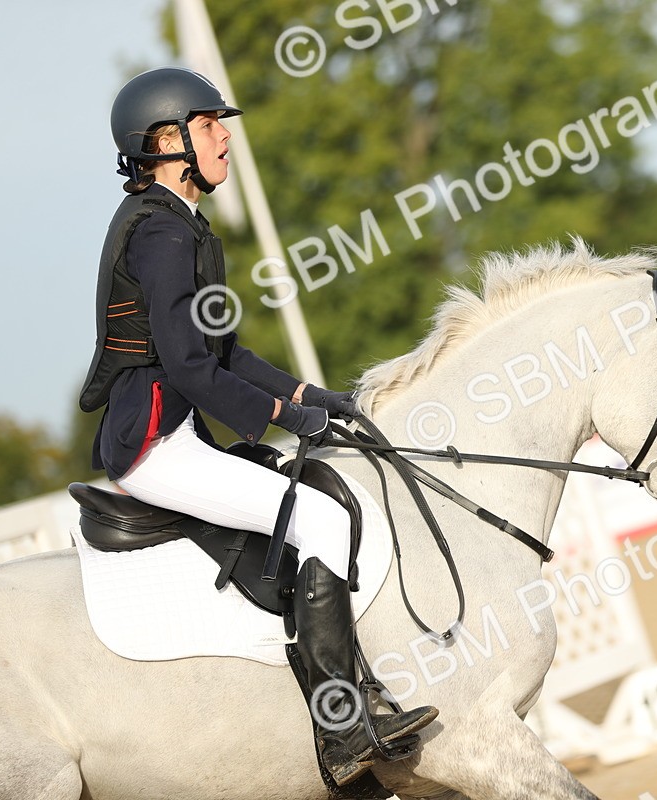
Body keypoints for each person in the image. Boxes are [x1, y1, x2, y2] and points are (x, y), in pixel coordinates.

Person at [78, 67, 437, 786]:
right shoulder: (161, 235)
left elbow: (225, 350)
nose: (225, 138)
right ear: (167, 140)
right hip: (155, 442)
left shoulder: (179, 223)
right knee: (321, 521)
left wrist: (316, 396)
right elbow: (187, 368)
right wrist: (285, 417)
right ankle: (343, 730)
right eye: (210, 125)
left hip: (172, 431)